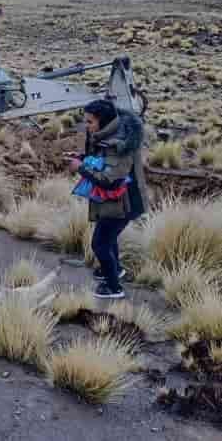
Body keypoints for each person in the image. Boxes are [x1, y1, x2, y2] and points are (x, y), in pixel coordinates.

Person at [67, 99, 149, 300]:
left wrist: (81, 168)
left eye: (90, 122)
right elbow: (103, 161)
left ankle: (114, 288)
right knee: (108, 237)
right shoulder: (109, 134)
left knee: (100, 244)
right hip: (116, 202)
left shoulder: (119, 144)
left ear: (103, 122)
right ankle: (114, 270)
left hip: (124, 203)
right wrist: (82, 157)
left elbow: (110, 181)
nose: (86, 126)